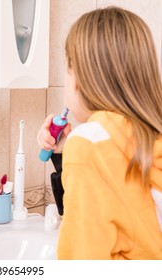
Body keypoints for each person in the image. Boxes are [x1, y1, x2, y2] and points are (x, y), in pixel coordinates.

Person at [45, 6, 162, 259]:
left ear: (78, 78)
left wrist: (78, 145)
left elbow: (83, 257)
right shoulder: (150, 136)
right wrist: (63, 152)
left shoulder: (90, 142)